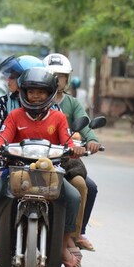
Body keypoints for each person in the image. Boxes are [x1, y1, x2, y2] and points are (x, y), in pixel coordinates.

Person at [0, 67, 84, 267]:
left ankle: (63, 246)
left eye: (41, 92)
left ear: (49, 94)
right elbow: (3, 137)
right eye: (31, 91)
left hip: (50, 172)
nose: (36, 96)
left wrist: (75, 149)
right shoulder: (15, 116)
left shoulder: (58, 118)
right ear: (24, 93)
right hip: (17, 171)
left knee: (73, 197)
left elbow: (67, 141)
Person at [43, 53, 100, 252]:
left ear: (67, 79)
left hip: (65, 158)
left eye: (61, 76)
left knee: (87, 187)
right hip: (37, 156)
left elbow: (84, 124)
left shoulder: (72, 103)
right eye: (52, 75)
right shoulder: (35, 100)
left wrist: (92, 140)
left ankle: (77, 233)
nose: (57, 80)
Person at [0, 54, 44, 181]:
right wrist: (1, 165)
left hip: (47, 163)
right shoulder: (5, 103)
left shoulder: (53, 107)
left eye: (13, 77)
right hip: (13, 160)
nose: (8, 81)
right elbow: (1, 137)